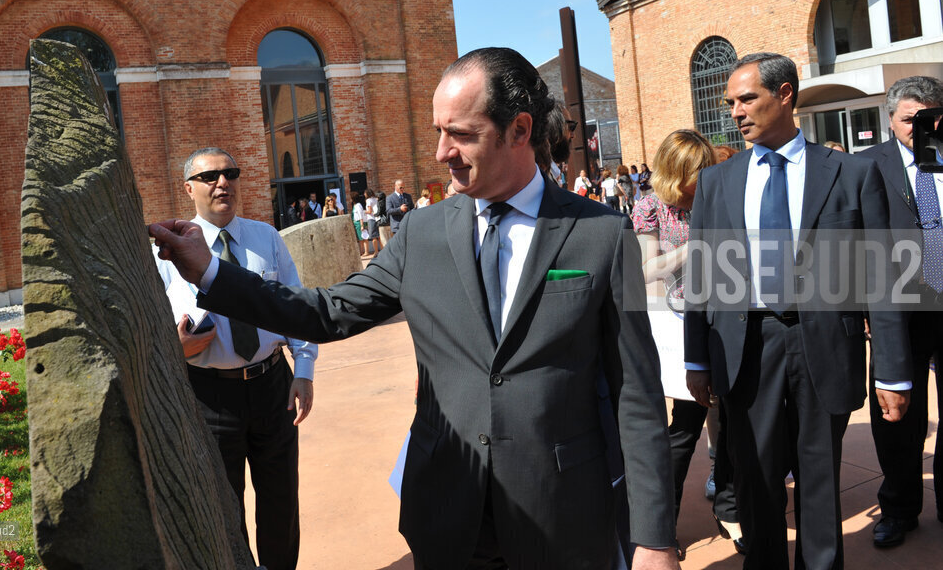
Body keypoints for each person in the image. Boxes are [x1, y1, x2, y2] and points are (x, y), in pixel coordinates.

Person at [151, 47, 679, 570]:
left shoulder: (603, 235)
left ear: (520, 130)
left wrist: (654, 538)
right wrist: (211, 274)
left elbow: (636, 393)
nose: (441, 153)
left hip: (563, 514)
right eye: (438, 132)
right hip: (448, 512)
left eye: (462, 134)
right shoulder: (420, 233)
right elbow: (327, 311)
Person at [684, 53, 911, 570]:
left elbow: (881, 278)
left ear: (785, 94)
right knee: (755, 476)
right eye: (729, 104)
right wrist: (697, 360)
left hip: (824, 343)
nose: (735, 113)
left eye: (747, 99)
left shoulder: (851, 173)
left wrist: (894, 373)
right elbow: (702, 276)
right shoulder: (718, 182)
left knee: (818, 476)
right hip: (747, 346)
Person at [154, 147, 317, 570]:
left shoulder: (267, 238)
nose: (222, 183)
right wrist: (175, 346)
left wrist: (304, 370)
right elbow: (155, 334)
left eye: (230, 173)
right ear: (188, 188)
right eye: (209, 177)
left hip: (272, 388)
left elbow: (294, 307)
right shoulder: (167, 255)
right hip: (209, 397)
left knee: (281, 503)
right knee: (225, 508)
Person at [631, 129, 742, 560]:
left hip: (730, 318)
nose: (703, 182)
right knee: (684, 427)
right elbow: (644, 271)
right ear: (676, 173)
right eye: (696, 174)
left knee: (732, 418)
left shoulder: (718, 198)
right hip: (681, 323)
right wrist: (693, 250)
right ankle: (661, 527)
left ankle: (730, 508)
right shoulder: (650, 207)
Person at [861, 76, 943, 548]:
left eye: (930, 116)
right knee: (897, 416)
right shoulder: (867, 165)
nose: (920, 126)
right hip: (899, 312)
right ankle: (898, 507)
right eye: (910, 118)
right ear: (891, 119)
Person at [352, 192, 372, 257]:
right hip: (356, 223)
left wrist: (362, 225)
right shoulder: (355, 205)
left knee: (364, 237)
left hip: (360, 223)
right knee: (360, 239)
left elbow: (360, 216)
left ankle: (366, 252)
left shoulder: (358, 205)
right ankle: (361, 251)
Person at [363, 189, 383, 257]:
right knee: (379, 236)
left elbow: (369, 211)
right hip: (377, 218)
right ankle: (383, 249)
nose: (364, 194)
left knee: (373, 236)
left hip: (371, 219)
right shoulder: (375, 199)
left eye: (365, 193)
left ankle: (376, 251)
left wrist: (363, 212)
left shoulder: (368, 200)